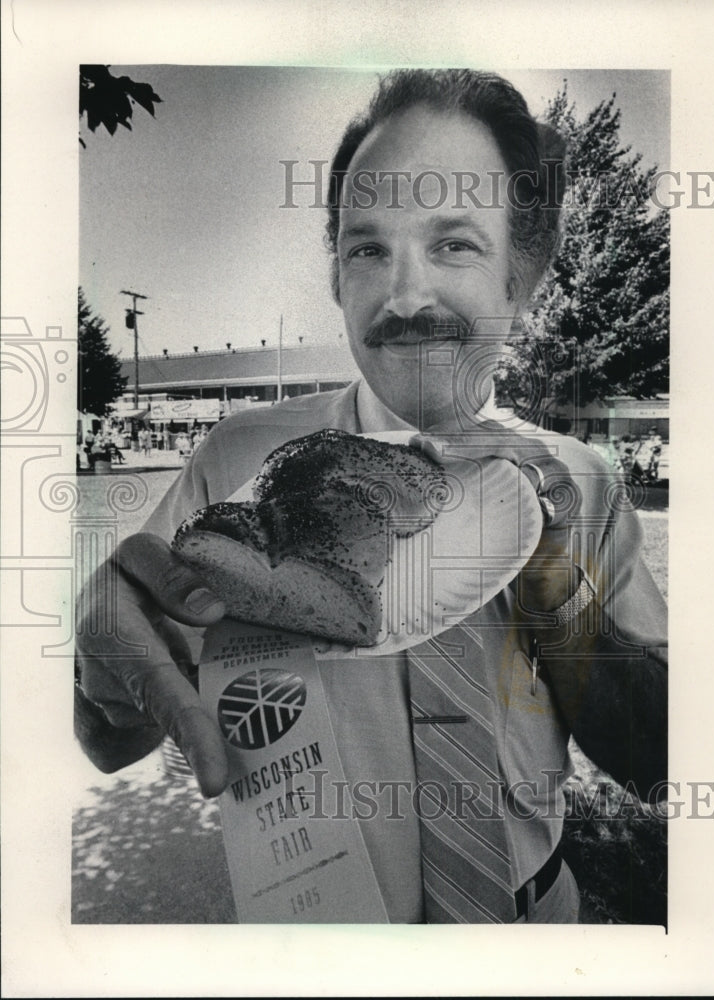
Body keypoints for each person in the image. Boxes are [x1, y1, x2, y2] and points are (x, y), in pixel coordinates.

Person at [74, 69, 667, 924]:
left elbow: (656, 761)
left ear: (521, 278)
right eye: (367, 248)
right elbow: (108, 735)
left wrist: (558, 599)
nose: (403, 296)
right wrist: (97, 672)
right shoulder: (235, 464)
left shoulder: (584, 482)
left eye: (454, 244)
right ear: (336, 278)